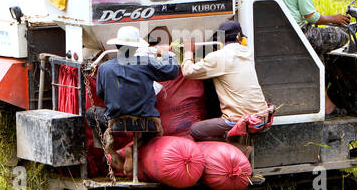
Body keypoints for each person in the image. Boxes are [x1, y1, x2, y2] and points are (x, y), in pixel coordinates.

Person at [93, 26, 179, 175]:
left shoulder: (104, 68)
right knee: (151, 134)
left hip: (116, 120)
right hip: (147, 120)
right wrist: (166, 54)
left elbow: (101, 94)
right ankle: (134, 147)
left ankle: (111, 151)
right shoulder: (145, 63)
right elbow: (172, 71)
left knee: (90, 114)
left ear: (117, 46)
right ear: (136, 47)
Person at [180, 20, 270, 143]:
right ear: (240, 37)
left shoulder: (218, 57)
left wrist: (188, 52)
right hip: (263, 116)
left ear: (221, 39)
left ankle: (230, 145)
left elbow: (187, 72)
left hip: (239, 119)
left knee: (195, 130)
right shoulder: (247, 53)